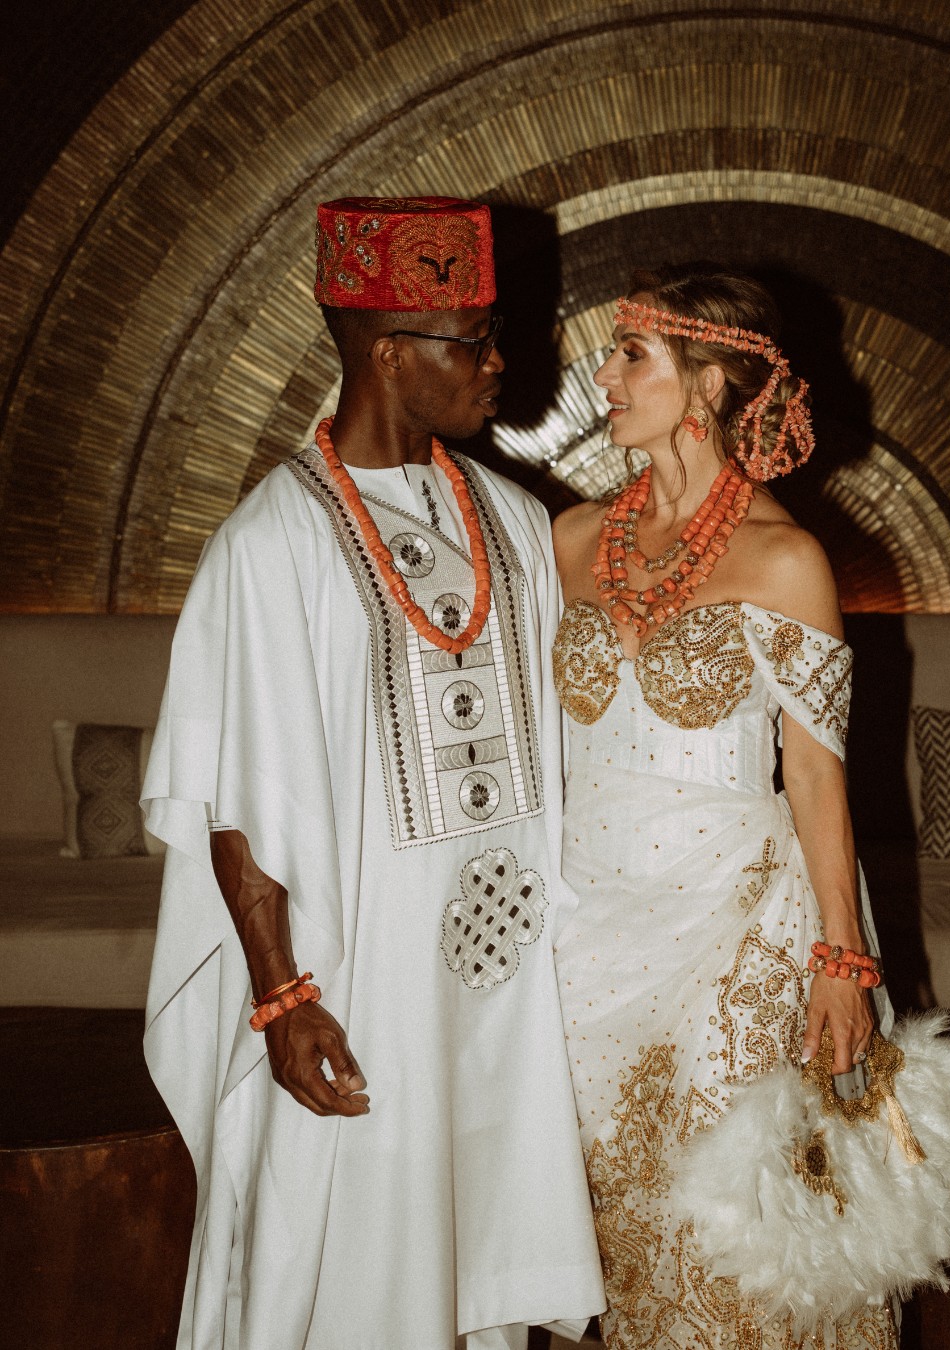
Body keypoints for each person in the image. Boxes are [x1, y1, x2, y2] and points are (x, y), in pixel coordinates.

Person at [142, 196, 605, 1350]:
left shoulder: (507, 514)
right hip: (360, 972)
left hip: (504, 966)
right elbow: (231, 792)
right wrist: (282, 995)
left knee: (480, 1246)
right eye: (475, 341)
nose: (501, 364)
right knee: (353, 1252)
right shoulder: (271, 541)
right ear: (391, 353)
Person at [550, 264, 898, 1347]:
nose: (601, 375)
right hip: (584, 927)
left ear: (706, 385)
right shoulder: (567, 543)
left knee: (732, 1229)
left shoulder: (785, 560)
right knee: (613, 1219)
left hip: (737, 928)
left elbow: (818, 772)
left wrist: (842, 958)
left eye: (631, 356)